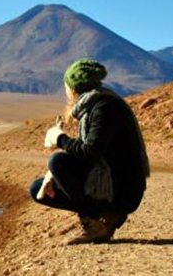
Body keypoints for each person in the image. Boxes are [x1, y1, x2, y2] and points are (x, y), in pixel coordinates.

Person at [29, 59, 150, 244]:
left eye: (66, 86)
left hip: (123, 190)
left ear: (73, 88)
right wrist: (52, 175)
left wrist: (59, 139)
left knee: (58, 162)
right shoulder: (96, 103)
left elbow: (89, 153)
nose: (66, 91)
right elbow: (91, 150)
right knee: (38, 188)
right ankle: (107, 217)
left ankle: (95, 223)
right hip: (112, 183)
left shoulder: (104, 107)